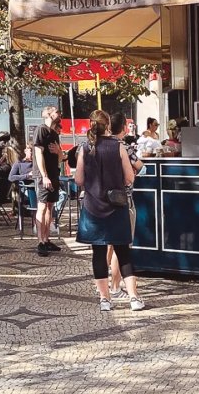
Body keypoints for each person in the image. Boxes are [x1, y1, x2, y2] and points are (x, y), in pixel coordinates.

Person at [75, 110, 145, 312]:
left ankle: (105, 300)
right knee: (123, 252)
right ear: (107, 126)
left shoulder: (85, 147)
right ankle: (134, 298)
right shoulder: (118, 146)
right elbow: (130, 177)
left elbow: (78, 180)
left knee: (98, 253)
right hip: (116, 206)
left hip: (93, 208)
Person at [108, 111, 145, 297]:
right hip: (123, 200)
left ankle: (106, 284)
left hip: (102, 202)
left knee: (108, 244)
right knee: (121, 246)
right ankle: (115, 287)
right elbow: (140, 168)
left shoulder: (99, 146)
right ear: (124, 127)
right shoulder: (125, 148)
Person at [33, 105, 63, 257]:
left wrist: (58, 151)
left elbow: (61, 157)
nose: (59, 114)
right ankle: (40, 242)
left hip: (54, 174)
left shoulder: (54, 133)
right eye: (57, 111)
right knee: (42, 206)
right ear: (49, 114)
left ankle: (46, 239)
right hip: (43, 175)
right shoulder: (41, 130)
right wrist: (44, 175)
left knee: (50, 207)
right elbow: (38, 153)